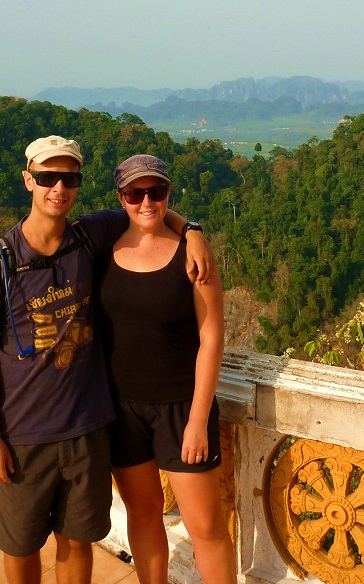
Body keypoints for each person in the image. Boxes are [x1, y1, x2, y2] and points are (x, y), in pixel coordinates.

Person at [0, 136, 214, 584]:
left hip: (88, 427)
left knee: (78, 542)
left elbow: (150, 211)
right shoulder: (3, 261)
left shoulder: (88, 235)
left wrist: (193, 230)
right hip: (23, 433)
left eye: (69, 178)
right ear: (28, 181)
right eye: (47, 178)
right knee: (20, 547)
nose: (58, 188)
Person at [96, 155, 236, 584]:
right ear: (121, 198)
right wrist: (191, 225)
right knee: (143, 515)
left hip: (181, 407)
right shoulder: (102, 245)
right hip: (122, 409)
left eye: (156, 192)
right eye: (135, 194)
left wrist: (197, 420)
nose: (146, 202)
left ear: (168, 194)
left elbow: (212, 339)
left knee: (206, 527)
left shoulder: (192, 259)